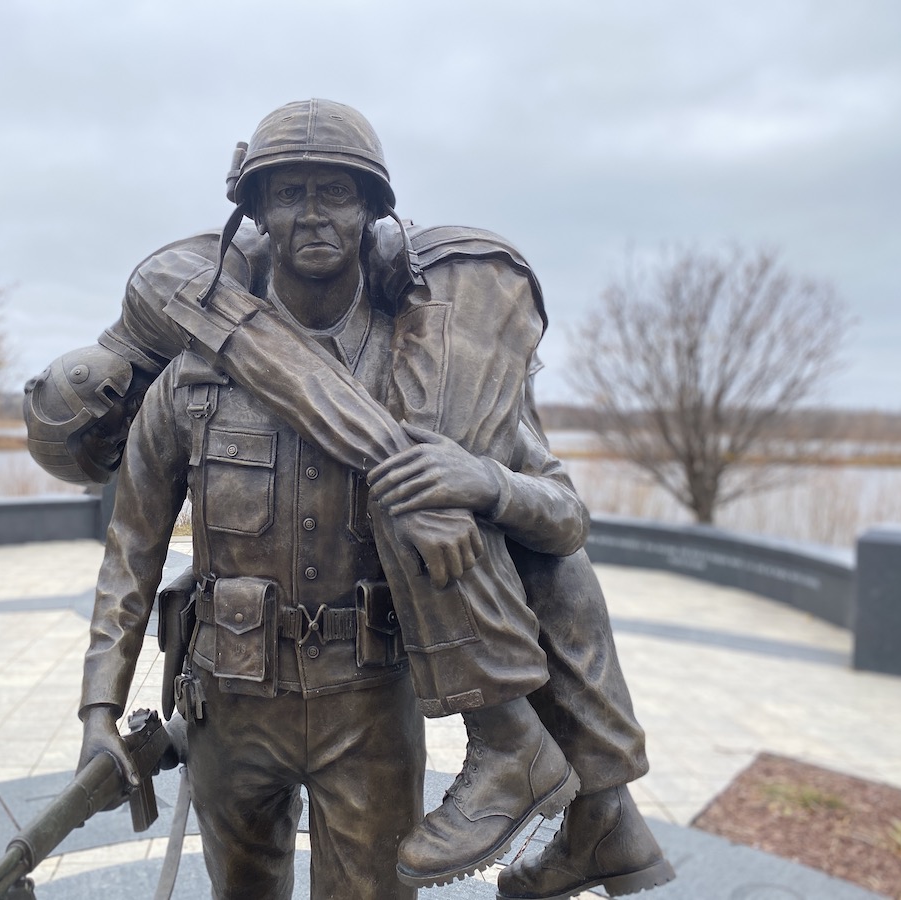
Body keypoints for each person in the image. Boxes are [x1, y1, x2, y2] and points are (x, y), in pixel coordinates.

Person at [34, 99, 674, 897]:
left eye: (335, 192)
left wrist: (484, 482)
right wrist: (100, 707)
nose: (311, 215)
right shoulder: (191, 378)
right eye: (288, 192)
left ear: (372, 209)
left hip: (370, 709)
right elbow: (130, 553)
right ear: (257, 213)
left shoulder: (435, 374)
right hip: (229, 708)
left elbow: (564, 516)